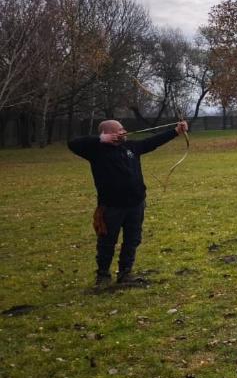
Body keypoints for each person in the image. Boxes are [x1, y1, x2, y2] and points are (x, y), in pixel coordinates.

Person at [68, 119, 188, 288]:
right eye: (119, 130)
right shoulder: (96, 150)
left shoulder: (131, 147)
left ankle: (125, 273)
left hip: (136, 204)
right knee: (107, 242)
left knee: (132, 240)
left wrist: (176, 131)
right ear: (108, 133)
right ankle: (103, 275)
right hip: (111, 207)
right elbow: (73, 144)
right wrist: (100, 140)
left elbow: (151, 142)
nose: (124, 131)